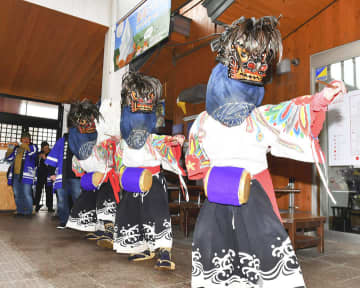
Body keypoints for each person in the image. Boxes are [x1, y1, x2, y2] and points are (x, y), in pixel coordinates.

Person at [185, 16, 346, 287]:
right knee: (216, 246)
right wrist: (208, 178)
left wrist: (320, 100)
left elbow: (292, 112)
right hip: (219, 195)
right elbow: (197, 166)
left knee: (263, 246)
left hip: (255, 194)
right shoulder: (202, 122)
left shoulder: (260, 117)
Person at [112, 71, 186, 271]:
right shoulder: (123, 143)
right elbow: (119, 164)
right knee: (134, 214)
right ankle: (144, 247)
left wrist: (176, 143)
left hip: (152, 181)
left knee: (157, 214)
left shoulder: (154, 140)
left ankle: (163, 251)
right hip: (132, 183)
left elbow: (170, 151)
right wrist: (122, 176)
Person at [5, 131, 38, 217]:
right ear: (21, 139)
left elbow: (31, 152)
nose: (26, 140)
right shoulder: (17, 148)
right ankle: (20, 211)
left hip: (26, 174)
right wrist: (11, 147)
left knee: (26, 193)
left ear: (30, 140)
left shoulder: (33, 147)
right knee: (17, 193)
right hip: (16, 174)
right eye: (24, 138)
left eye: (28, 138)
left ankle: (28, 212)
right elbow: (8, 158)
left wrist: (20, 143)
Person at [34, 141, 54, 212]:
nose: (46, 149)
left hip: (48, 174)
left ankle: (50, 207)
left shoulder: (51, 153)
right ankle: (36, 205)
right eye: (45, 148)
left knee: (49, 191)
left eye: (47, 148)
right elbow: (35, 163)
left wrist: (45, 158)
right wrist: (38, 158)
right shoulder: (39, 153)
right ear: (42, 148)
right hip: (40, 174)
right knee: (38, 190)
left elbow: (52, 164)